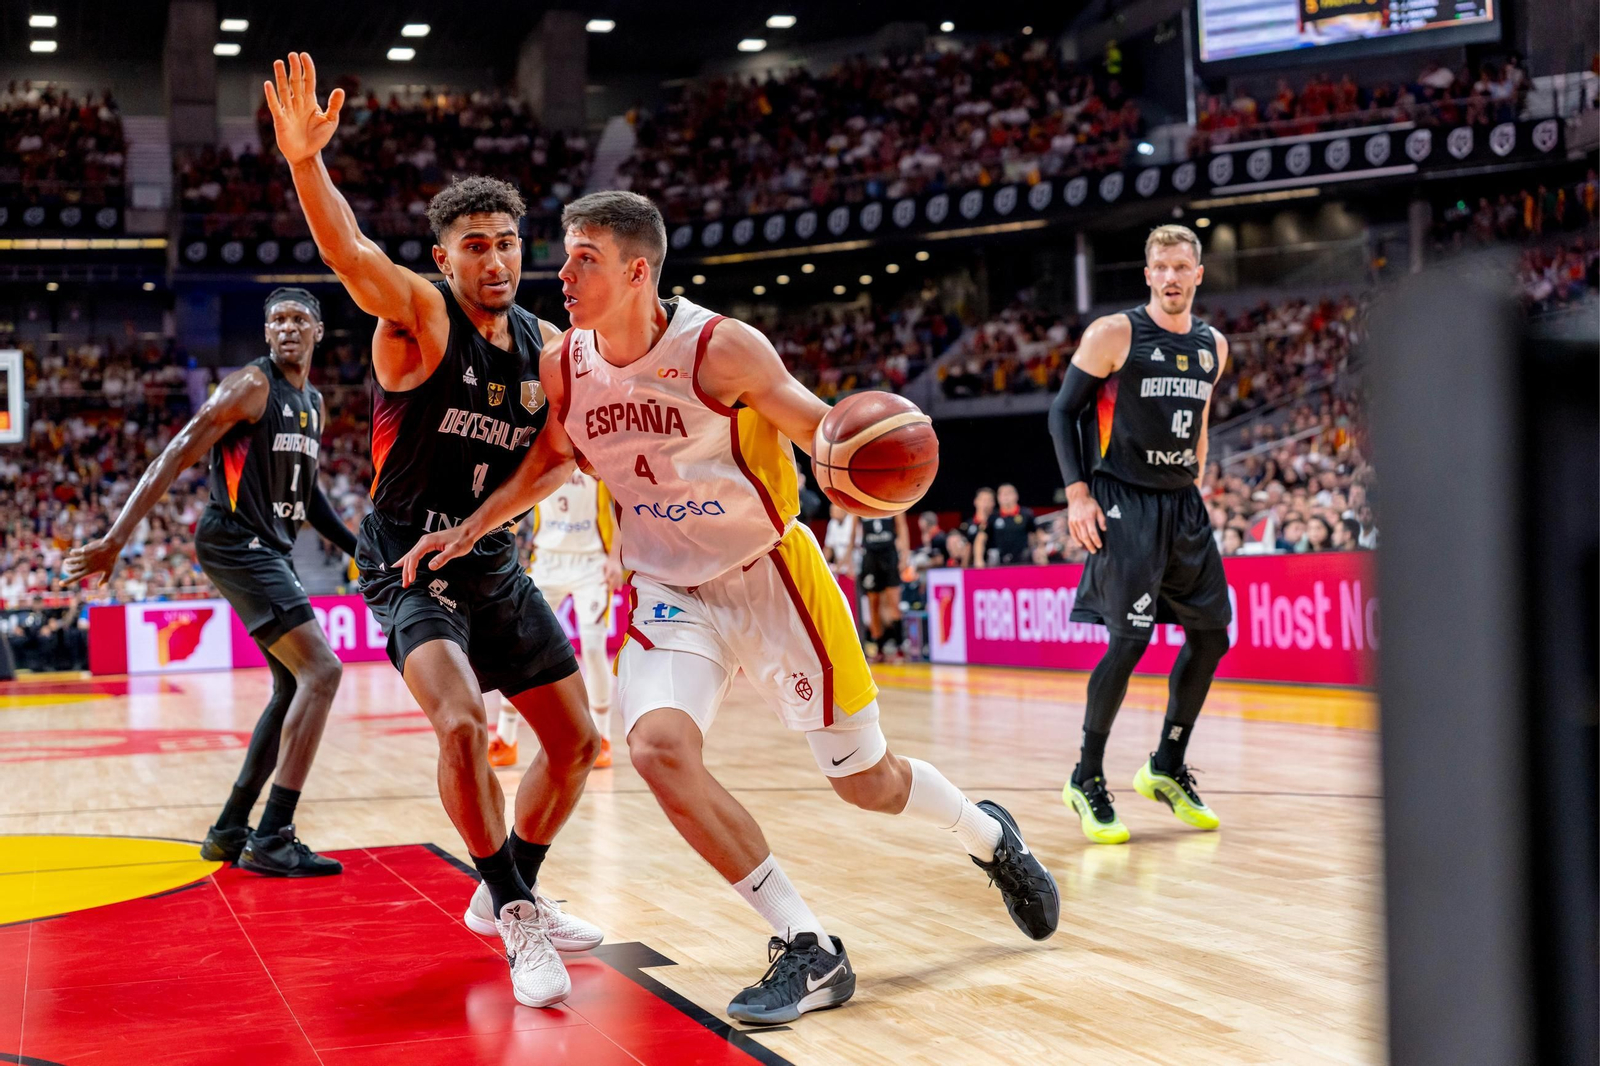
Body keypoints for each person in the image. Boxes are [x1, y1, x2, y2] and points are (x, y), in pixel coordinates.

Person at [398, 190, 1059, 1026]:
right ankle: (806, 943)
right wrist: (472, 526)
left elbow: (821, 431)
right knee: (658, 749)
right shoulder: (565, 363)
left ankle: (990, 837)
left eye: (583, 259)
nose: (559, 274)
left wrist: (858, 463)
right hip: (670, 591)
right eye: (563, 255)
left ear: (638, 272)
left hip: (770, 574)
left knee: (866, 780)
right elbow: (553, 458)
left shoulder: (720, 348)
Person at [262, 52, 600, 1008]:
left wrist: (484, 527)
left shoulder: (550, 349)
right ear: (445, 258)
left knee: (575, 746)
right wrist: (305, 164)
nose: (495, 260)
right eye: (475, 246)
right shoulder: (419, 318)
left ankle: (509, 892)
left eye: (506, 242)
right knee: (460, 724)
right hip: (409, 559)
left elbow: (557, 462)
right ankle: (518, 917)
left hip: (487, 554)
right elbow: (349, 255)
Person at [62, 287, 353, 876]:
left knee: (292, 685)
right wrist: (116, 538)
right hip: (234, 540)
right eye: (277, 321)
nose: (288, 329)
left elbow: (309, 490)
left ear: (319, 332)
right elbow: (174, 452)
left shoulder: (313, 401)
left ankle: (228, 830)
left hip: (270, 545)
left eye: (299, 320)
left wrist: (357, 547)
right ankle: (273, 834)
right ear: (266, 334)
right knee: (321, 671)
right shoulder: (251, 387)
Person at [1047, 223, 1232, 846]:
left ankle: (1165, 766)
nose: (1174, 277)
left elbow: (1200, 418)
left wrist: (1197, 473)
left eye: (1184, 266)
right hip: (1123, 499)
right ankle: (1086, 777)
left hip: (1182, 503)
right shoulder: (1115, 334)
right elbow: (1063, 411)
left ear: (1198, 274)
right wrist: (1079, 493)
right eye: (1163, 268)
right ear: (1148, 275)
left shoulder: (1214, 346)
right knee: (1130, 642)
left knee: (1211, 637)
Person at [491, 469, 623, 769]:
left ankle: (602, 735)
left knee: (592, 648)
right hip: (546, 561)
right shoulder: (540, 449)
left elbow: (621, 503)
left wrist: (616, 557)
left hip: (592, 564)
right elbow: (516, 499)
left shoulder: (594, 447)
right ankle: (506, 737)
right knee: (517, 646)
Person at [856, 513, 909, 661]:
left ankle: (900, 646)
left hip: (889, 554)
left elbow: (902, 526)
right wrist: (848, 557)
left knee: (894, 602)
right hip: (870, 556)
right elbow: (853, 530)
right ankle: (879, 647)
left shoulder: (892, 498)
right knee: (874, 604)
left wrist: (904, 555)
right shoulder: (861, 500)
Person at [974, 483, 1037, 566]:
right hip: (998, 562)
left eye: (1009, 493)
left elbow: (1035, 534)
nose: (1005, 496)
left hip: (1023, 561)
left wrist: (1038, 551)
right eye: (1002, 494)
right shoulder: (992, 517)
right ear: (998, 498)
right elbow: (980, 538)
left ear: (1016, 496)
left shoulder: (1026, 514)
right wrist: (978, 559)